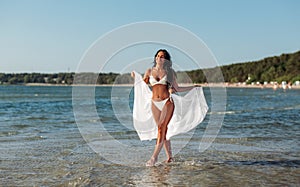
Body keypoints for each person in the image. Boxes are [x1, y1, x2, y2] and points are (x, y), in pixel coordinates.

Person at [131, 49, 208, 166]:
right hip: (154, 103)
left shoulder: (170, 72)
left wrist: (193, 87)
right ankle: (170, 157)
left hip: (167, 102)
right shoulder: (149, 71)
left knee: (162, 128)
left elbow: (176, 88)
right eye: (157, 56)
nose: (159, 58)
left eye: (162, 56)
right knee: (162, 130)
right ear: (155, 58)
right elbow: (142, 85)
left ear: (166, 59)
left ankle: (154, 157)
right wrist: (135, 77)